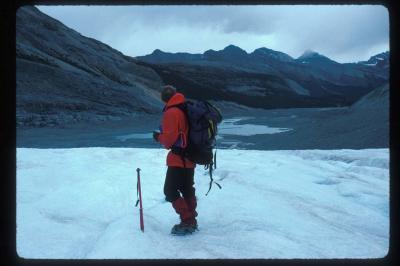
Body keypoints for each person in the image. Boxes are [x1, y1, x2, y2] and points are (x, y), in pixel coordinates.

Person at [152, 85, 198, 235]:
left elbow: (169, 141)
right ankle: (191, 220)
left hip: (178, 158)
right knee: (186, 188)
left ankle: (187, 220)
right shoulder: (184, 108)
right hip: (190, 156)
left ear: (163, 98)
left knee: (170, 190)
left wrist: (158, 137)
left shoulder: (172, 112)